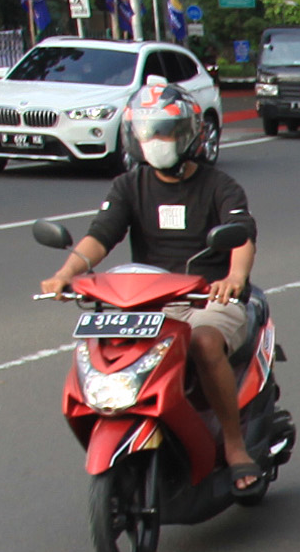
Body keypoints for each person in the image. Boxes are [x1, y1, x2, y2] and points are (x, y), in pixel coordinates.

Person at [41, 83, 266, 496]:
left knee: (202, 343)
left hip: (208, 300)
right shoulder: (130, 185)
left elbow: (241, 236)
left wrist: (234, 278)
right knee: (107, 344)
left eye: (165, 132)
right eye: (148, 133)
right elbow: (100, 235)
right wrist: (66, 273)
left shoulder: (221, 186)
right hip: (150, 300)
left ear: (189, 134)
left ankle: (233, 446)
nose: (156, 142)